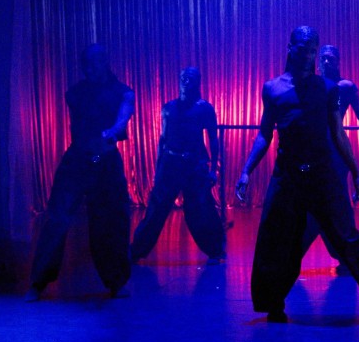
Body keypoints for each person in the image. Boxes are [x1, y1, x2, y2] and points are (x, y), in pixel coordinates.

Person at [235, 26, 359, 323]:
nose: (308, 54)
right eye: (303, 48)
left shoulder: (328, 89)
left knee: (345, 237)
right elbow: (265, 134)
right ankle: (274, 304)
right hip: (288, 174)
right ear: (290, 47)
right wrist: (246, 170)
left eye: (312, 49)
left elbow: (339, 133)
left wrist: (356, 172)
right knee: (277, 238)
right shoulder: (273, 89)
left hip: (321, 173)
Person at [25, 44, 135, 302]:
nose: (89, 68)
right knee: (57, 218)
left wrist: (113, 130)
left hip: (103, 160)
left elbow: (123, 116)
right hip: (79, 159)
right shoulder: (75, 93)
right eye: (86, 63)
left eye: (94, 62)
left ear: (105, 62)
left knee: (109, 221)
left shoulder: (123, 92)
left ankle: (116, 281)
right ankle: (38, 282)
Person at [298, 45, 359, 272]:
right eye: (323, 58)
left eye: (331, 59)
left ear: (338, 62)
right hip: (314, 151)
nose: (327, 62)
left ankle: (345, 256)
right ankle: (338, 255)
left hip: (335, 152)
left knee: (335, 205)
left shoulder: (345, 87)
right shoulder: (312, 84)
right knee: (313, 203)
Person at [130, 66, 226, 263]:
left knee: (199, 209)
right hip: (171, 163)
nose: (186, 81)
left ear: (198, 82)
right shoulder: (169, 108)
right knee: (156, 209)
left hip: (194, 164)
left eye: (190, 78)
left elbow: (213, 139)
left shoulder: (204, 109)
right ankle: (137, 250)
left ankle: (215, 250)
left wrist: (213, 169)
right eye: (183, 77)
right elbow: (163, 140)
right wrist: (158, 169)